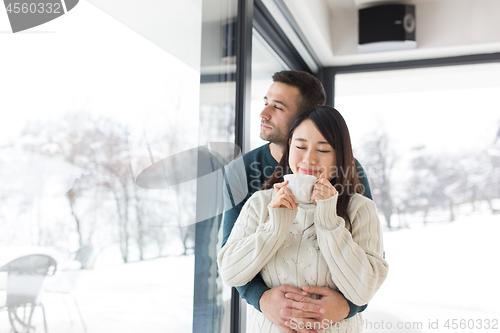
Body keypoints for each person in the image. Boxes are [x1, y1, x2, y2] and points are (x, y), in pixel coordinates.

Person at [221, 71, 373, 333]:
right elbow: (230, 256)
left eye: (277, 106)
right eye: (265, 101)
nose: (263, 113)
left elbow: (370, 255)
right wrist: (262, 299)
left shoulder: (350, 172)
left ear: (307, 116)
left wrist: (348, 307)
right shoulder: (242, 173)